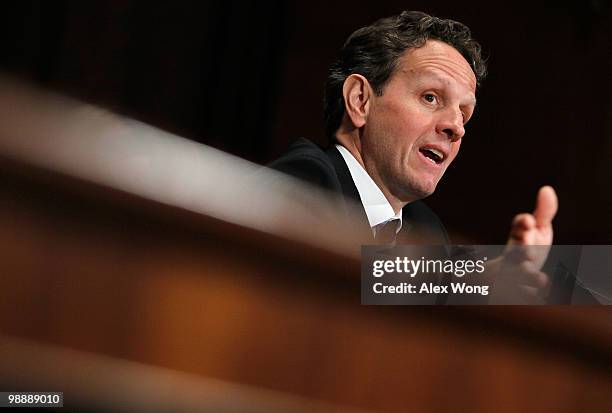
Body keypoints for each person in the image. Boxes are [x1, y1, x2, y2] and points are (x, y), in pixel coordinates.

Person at [269, 11, 558, 299]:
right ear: (360, 100)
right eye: (430, 97)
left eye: (464, 114)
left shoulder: (425, 229)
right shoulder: (303, 181)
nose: (456, 127)